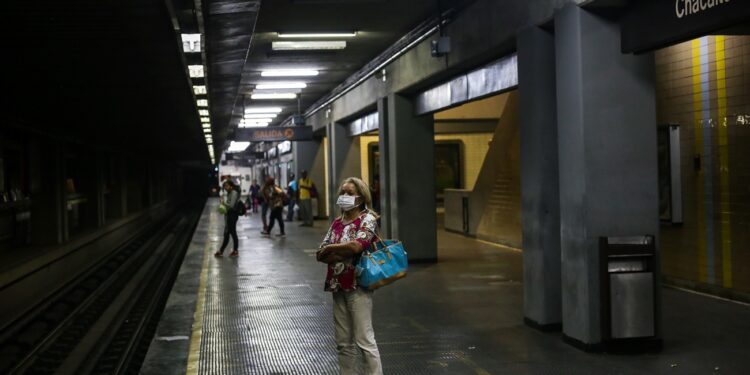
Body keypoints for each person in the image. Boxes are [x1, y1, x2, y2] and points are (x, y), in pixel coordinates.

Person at [316, 177, 382, 374]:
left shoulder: (367, 219)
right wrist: (337, 251)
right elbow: (320, 254)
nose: (344, 197)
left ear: (360, 198)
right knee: (343, 343)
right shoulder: (337, 222)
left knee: (365, 341)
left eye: (349, 193)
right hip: (337, 285)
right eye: (342, 193)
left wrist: (332, 249)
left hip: (358, 286)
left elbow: (357, 246)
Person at [215, 179, 240, 257]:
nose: (225, 188)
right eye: (224, 186)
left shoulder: (233, 193)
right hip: (229, 215)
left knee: (232, 233)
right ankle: (221, 251)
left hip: (232, 216)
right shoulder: (230, 192)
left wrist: (223, 203)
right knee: (227, 234)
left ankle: (234, 251)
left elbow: (231, 206)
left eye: (226, 186)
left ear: (231, 186)